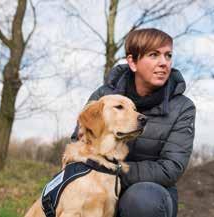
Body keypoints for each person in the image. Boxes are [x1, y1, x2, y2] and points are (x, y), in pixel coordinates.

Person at [72, 28, 196, 217]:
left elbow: (170, 168)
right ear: (132, 62)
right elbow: (79, 142)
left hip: (150, 192)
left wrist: (114, 170)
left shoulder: (183, 108)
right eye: (154, 55)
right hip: (97, 180)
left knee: (142, 200)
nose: (164, 63)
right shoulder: (104, 96)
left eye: (168, 55)